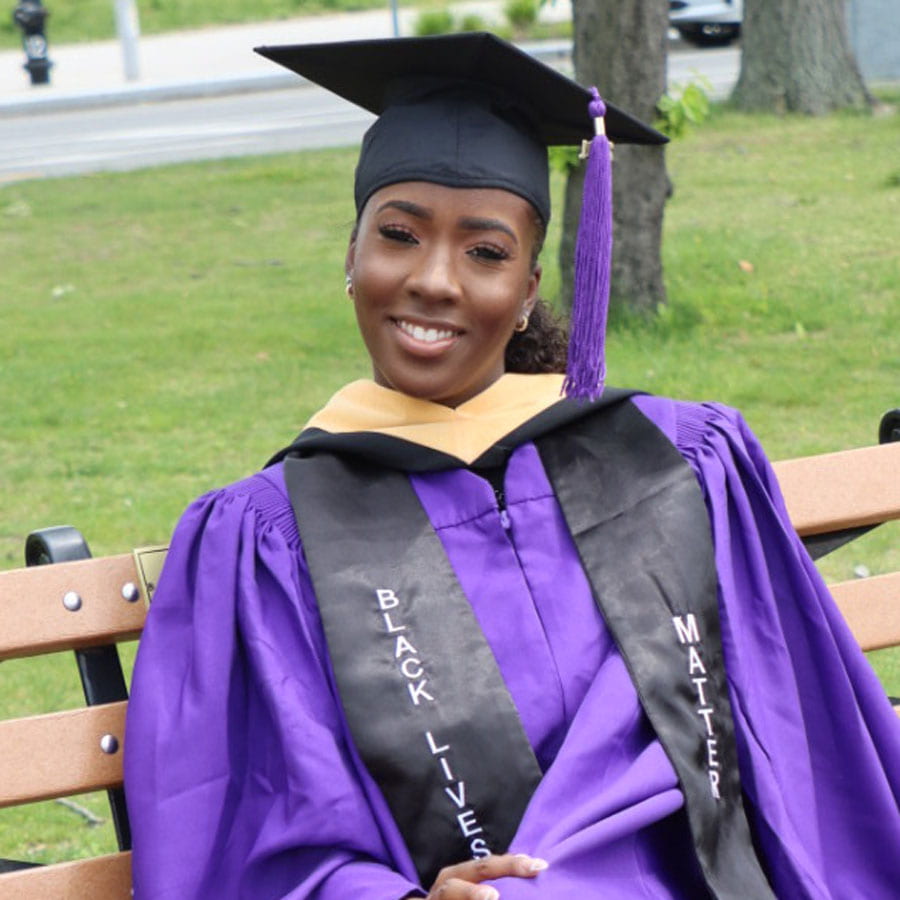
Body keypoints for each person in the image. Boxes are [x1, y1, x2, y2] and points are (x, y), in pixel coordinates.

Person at [124, 32, 900, 900]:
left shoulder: (678, 462)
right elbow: (252, 837)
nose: (435, 281)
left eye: (485, 252)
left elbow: (805, 748)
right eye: (398, 235)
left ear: (530, 287)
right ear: (350, 256)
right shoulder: (266, 541)